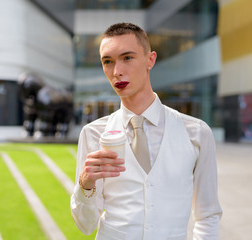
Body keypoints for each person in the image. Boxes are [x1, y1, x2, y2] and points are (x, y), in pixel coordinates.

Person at [70, 22, 222, 240]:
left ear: (150, 60)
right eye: (107, 61)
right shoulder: (93, 134)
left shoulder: (196, 133)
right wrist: (85, 184)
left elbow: (208, 215)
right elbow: (85, 226)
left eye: (127, 58)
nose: (117, 71)